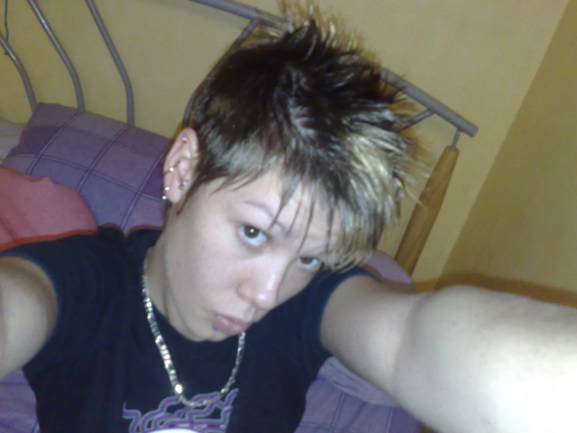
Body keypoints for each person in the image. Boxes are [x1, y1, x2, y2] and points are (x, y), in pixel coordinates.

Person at [1, 6, 576, 433]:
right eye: (254, 232)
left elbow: (414, 340)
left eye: (308, 257)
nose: (267, 295)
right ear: (183, 168)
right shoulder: (81, 285)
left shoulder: (308, 306)